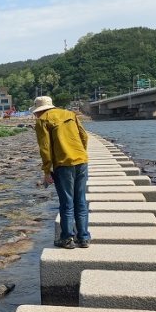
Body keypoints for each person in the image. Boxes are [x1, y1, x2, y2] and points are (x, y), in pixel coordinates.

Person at [31, 95, 90, 248]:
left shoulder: (42, 120)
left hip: (64, 165)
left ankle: (67, 238)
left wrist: (47, 171)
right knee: (80, 200)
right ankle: (83, 238)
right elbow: (84, 136)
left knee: (67, 203)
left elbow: (45, 148)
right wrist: (80, 153)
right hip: (81, 161)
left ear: (39, 110)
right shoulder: (70, 114)